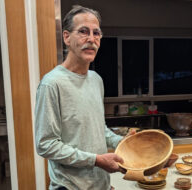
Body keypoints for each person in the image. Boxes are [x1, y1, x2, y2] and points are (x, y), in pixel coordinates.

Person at [34, 5, 134, 190]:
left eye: (96, 33)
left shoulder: (96, 80)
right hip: (69, 186)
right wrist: (96, 161)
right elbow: (46, 145)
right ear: (66, 37)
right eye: (83, 32)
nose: (91, 39)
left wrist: (122, 143)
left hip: (100, 185)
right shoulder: (52, 83)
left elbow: (98, 129)